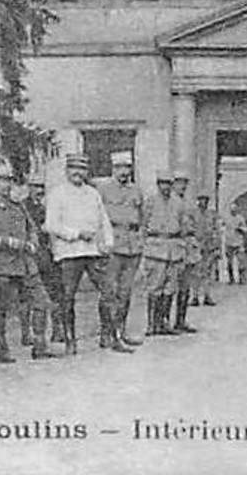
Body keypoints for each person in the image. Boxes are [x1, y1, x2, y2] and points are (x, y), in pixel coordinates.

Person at [0, 160, 55, 363]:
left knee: (42, 301)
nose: (6, 185)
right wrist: (7, 242)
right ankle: (3, 349)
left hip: (26, 264)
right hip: (2, 265)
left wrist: (33, 242)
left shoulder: (18, 206)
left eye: (9, 180)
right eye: (1, 181)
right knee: (0, 308)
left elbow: (31, 228)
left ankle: (39, 345)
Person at [43, 152, 116, 355]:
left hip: (93, 252)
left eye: (82, 169)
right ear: (67, 171)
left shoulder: (93, 193)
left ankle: (108, 336)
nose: (78, 172)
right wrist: (75, 234)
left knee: (108, 292)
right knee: (67, 297)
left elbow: (104, 221)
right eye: (74, 168)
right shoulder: (57, 193)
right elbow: (50, 225)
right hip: (68, 253)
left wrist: (108, 243)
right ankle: (70, 341)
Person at [96, 150, 145, 350]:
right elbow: (97, 218)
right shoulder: (103, 189)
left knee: (125, 292)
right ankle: (106, 333)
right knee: (109, 292)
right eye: (119, 168)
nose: (123, 172)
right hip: (112, 245)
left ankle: (120, 331)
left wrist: (141, 239)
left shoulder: (136, 190)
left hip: (132, 246)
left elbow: (141, 217)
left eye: (127, 168)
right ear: (113, 168)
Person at [22, 170, 68, 346]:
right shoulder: (22, 207)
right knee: (28, 296)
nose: (39, 190)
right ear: (29, 188)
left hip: (48, 255)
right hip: (31, 255)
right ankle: (27, 334)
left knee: (56, 291)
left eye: (41, 186)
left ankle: (57, 330)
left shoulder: (46, 207)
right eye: (35, 186)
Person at [139, 168, 186, 335]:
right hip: (155, 247)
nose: (165, 187)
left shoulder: (178, 203)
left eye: (168, 184)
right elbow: (143, 224)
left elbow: (183, 225)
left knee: (170, 288)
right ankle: (152, 324)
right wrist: (144, 246)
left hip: (174, 248)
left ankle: (164, 323)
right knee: (154, 287)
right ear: (158, 184)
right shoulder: (150, 201)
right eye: (162, 183)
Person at [172, 171, 201, 332]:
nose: (182, 186)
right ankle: (164, 321)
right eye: (179, 182)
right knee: (170, 286)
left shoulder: (188, 203)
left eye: (184, 183)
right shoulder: (171, 202)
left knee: (185, 287)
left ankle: (180, 320)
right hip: (176, 244)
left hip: (189, 246)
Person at [195, 194, 220, 306]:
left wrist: (217, 247)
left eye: (205, 200)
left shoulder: (212, 215)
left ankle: (207, 295)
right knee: (196, 273)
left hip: (209, 247)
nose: (203, 202)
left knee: (208, 273)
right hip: (196, 247)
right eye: (201, 200)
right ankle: (194, 296)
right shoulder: (193, 214)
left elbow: (217, 231)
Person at [224, 205, 247, 284]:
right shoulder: (227, 218)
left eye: (235, 209)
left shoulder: (240, 218)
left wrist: (240, 229)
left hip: (238, 242)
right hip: (229, 242)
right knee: (229, 262)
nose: (233, 211)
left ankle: (241, 279)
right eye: (232, 209)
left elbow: (245, 229)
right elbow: (222, 227)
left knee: (241, 261)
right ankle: (231, 279)